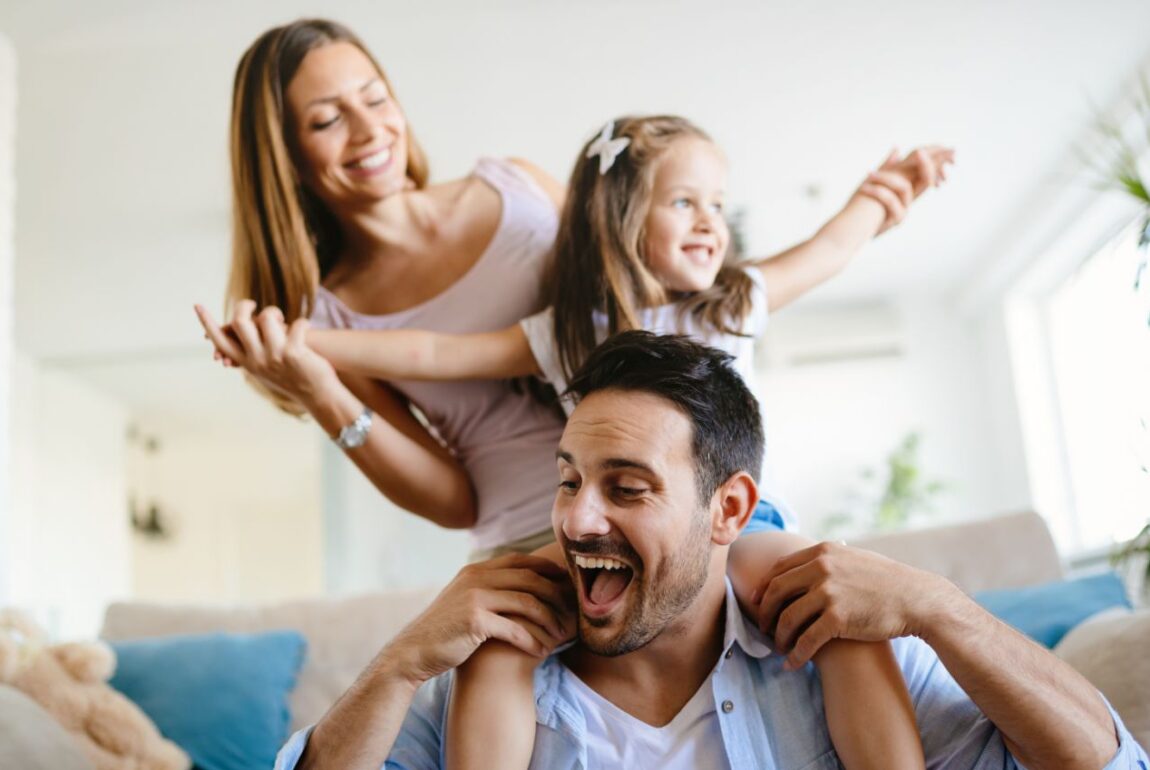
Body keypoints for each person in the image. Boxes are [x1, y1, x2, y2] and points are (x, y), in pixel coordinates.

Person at [233, 115, 952, 768]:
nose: (710, 221)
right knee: (500, 637)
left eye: (716, 203)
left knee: (836, 610)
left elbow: (830, 248)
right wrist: (300, 343)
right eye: (684, 202)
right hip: (616, 540)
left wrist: (881, 196)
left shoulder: (735, 301)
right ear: (624, 217)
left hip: (746, 527)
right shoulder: (567, 331)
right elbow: (432, 354)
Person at [275, 331, 1148, 770]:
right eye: (569, 480)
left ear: (729, 509)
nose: (577, 519)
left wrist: (942, 609)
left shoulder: (839, 647)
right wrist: (397, 665)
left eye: (627, 488)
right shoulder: (486, 674)